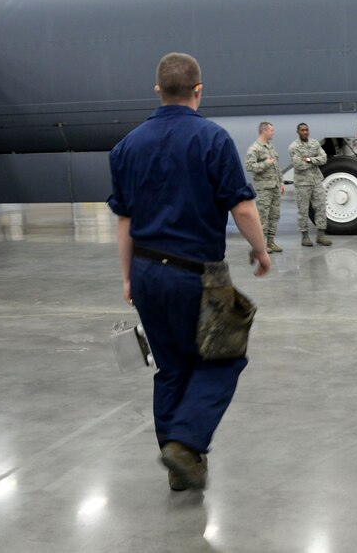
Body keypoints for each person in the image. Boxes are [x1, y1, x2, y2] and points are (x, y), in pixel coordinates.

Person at [107, 52, 271, 491]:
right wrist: (261, 251)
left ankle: (181, 465)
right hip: (197, 275)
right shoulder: (213, 139)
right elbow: (243, 207)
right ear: (200, 90)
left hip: (145, 273)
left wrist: (127, 278)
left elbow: (124, 221)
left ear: (158, 90)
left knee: (171, 368)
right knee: (224, 358)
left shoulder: (128, 146)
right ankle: (185, 442)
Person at [289, 123, 332, 247]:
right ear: (298, 131)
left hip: (316, 181)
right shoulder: (294, 147)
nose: (305, 132)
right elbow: (298, 165)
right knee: (303, 210)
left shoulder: (315, 143)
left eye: (307, 130)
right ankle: (305, 236)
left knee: (321, 207)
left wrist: (309, 159)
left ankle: (321, 235)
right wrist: (314, 161)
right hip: (302, 183)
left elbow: (324, 158)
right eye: (302, 130)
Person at [245, 122, 285, 253]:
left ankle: (271, 242)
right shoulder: (254, 149)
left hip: (274, 187)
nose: (273, 133)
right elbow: (250, 167)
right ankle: (261, 245)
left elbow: (277, 167)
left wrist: (281, 182)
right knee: (263, 216)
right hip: (263, 189)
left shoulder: (271, 147)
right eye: (271, 130)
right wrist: (265, 163)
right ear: (264, 131)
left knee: (274, 215)